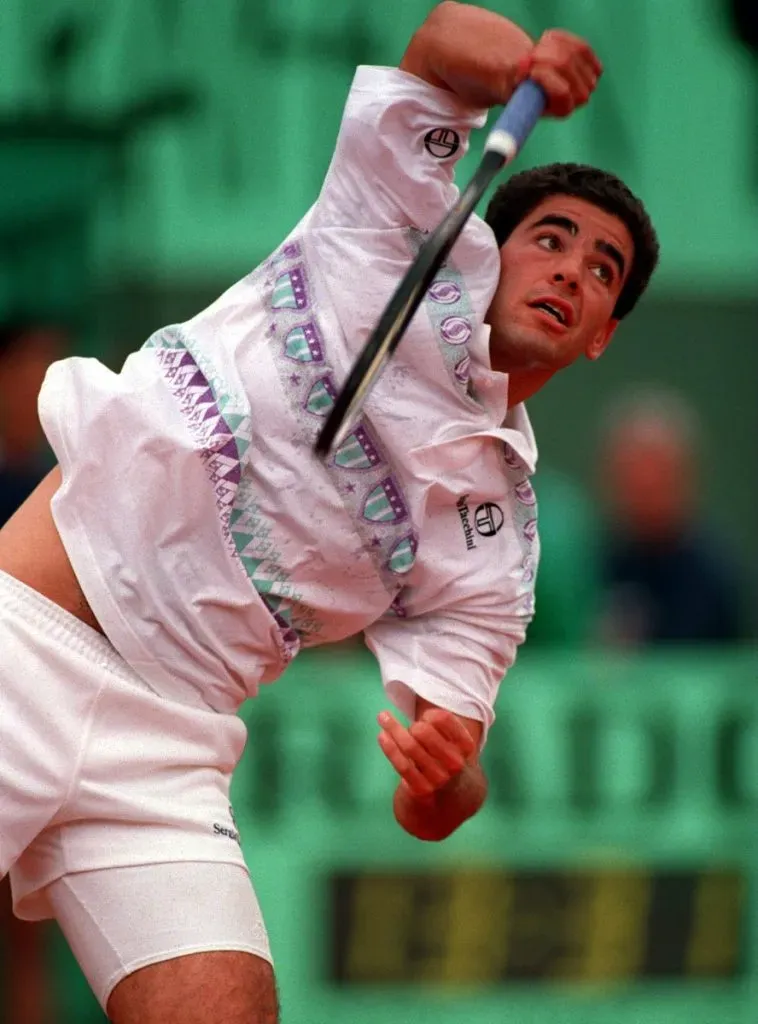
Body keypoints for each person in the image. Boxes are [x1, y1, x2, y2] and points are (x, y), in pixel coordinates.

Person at [0, 4, 659, 1022]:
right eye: (553, 239)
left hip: (168, 745)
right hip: (26, 642)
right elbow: (440, 40)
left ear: (604, 334)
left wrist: (442, 782)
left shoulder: (497, 543)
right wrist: (524, 61)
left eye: (600, 269)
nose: (571, 268)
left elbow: (440, 795)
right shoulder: (381, 224)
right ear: (491, 243)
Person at [597, 389, 744, 646]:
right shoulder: (590, 563)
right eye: (634, 473)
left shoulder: (716, 577)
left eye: (658, 472)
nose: (646, 482)